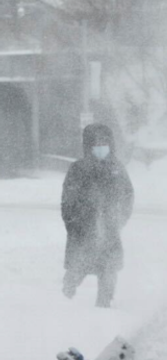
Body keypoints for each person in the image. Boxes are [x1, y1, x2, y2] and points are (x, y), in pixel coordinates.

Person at [61, 123, 134, 308]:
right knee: (77, 268)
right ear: (88, 146)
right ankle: (64, 302)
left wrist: (119, 220)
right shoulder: (78, 169)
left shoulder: (116, 168)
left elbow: (128, 195)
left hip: (109, 230)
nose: (101, 147)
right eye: (96, 144)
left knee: (108, 269)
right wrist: (74, 223)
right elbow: (67, 201)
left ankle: (104, 305)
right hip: (83, 231)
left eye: (104, 143)